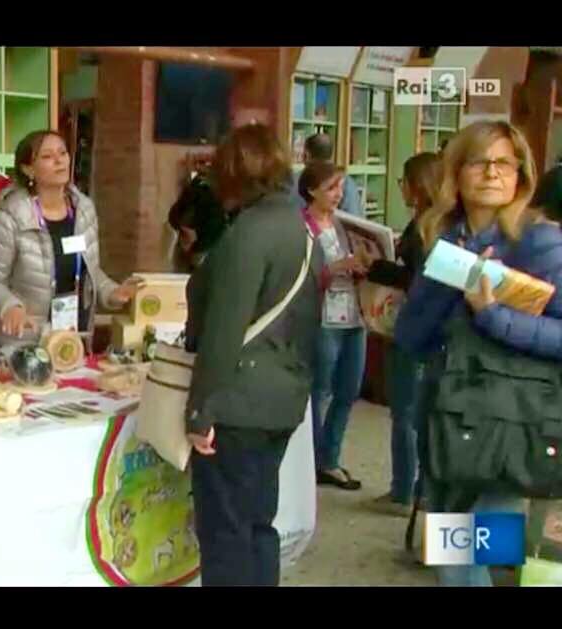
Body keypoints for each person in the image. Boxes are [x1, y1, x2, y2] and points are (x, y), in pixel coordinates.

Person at [395, 120, 562, 586]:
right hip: (449, 421)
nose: (492, 173)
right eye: (479, 162)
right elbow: (411, 335)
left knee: (472, 562)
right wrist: (453, 275)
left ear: (520, 175)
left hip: (512, 426)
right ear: (457, 172)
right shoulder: (445, 237)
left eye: (504, 163)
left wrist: (492, 314)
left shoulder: (540, 241)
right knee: (453, 563)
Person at [184, 123, 323, 586]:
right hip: (282, 394)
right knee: (259, 525)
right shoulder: (302, 229)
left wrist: (200, 410)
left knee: (225, 534)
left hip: (238, 401)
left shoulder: (248, 232)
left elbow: (223, 332)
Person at [0, 130, 140, 346]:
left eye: (62, 153)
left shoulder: (84, 209)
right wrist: (10, 306)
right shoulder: (11, 215)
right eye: (47, 156)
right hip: (26, 342)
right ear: (28, 169)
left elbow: (90, 270)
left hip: (73, 339)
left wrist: (112, 292)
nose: (59, 160)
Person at [356, 152, 442, 515]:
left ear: (416, 184)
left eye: (403, 181)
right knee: (414, 413)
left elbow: (417, 280)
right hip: (425, 328)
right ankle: (417, 490)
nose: (401, 188)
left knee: (406, 413)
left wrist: (376, 267)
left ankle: (404, 490)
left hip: (412, 327)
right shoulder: (435, 223)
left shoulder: (427, 228)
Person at [299, 160, 368, 491]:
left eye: (341, 186)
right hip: (324, 316)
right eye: (331, 188)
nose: (338, 194)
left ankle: (331, 458)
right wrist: (337, 268)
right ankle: (312, 460)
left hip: (355, 313)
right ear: (312, 190)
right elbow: (303, 275)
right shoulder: (303, 226)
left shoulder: (345, 225)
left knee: (348, 390)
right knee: (320, 390)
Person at [167, 174, 228, 272]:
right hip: (198, 246)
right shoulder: (199, 188)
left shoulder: (205, 189)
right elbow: (175, 213)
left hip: (203, 246)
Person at [295, 133, 364, 217]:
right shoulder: (346, 182)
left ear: (306, 155)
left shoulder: (292, 180)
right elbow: (354, 218)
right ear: (331, 155)